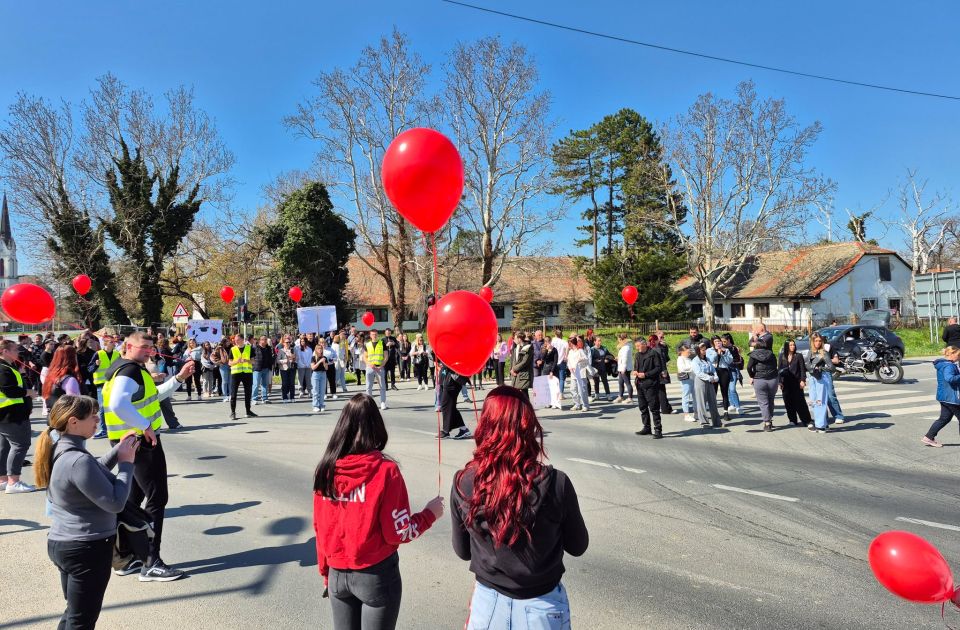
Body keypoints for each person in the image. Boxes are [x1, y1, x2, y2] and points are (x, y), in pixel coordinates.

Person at [452, 386, 588, 629]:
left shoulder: (464, 481)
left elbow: (463, 551)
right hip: (542, 605)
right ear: (527, 425)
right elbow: (578, 546)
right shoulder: (556, 482)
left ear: (485, 425)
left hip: (487, 603)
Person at [313, 394, 443, 630]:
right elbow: (398, 532)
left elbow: (321, 528)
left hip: (336, 574)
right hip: (375, 575)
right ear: (377, 426)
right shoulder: (385, 471)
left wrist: (325, 571)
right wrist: (429, 515)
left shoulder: (326, 470)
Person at [35, 395, 139, 629]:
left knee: (74, 612)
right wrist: (126, 464)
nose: (97, 419)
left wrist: (118, 450)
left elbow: (93, 472)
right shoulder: (76, 459)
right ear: (73, 422)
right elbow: (115, 502)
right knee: (82, 620)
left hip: (65, 543)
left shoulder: (60, 448)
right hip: (86, 548)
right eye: (92, 416)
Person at [103, 331, 193, 581]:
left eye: (151, 347)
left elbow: (151, 397)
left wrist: (178, 378)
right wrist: (145, 426)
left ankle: (125, 558)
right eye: (144, 347)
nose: (149, 351)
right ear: (127, 346)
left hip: (131, 442)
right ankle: (151, 562)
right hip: (141, 443)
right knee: (157, 498)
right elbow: (118, 404)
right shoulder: (130, 370)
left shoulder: (124, 368)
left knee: (131, 499)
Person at [0, 339, 39, 494]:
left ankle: (3, 479)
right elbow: (9, 390)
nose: (18, 352)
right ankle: (13, 481)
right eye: (15, 350)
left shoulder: (8, 366)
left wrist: (22, 375)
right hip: (11, 414)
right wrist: (28, 392)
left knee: (5, 447)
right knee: (20, 445)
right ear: (5, 351)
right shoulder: (3, 368)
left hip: (8, 414)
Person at [923, 345, 960, 447]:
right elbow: (950, 378)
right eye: (958, 355)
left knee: (944, 418)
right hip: (951, 397)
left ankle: (928, 437)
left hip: (943, 396)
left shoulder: (943, 364)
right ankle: (929, 437)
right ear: (951, 354)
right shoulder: (949, 366)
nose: (959, 357)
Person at [631, 338, 663, 438]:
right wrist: (635, 371)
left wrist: (646, 374)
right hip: (640, 384)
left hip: (651, 384)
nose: (637, 348)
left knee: (654, 408)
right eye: (636, 346)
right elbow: (636, 367)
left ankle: (658, 430)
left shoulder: (653, 353)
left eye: (638, 346)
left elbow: (658, 368)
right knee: (643, 407)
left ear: (644, 344)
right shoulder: (637, 355)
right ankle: (646, 427)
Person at [747, 335, 779, 432]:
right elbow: (775, 366)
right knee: (771, 400)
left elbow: (749, 367)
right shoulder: (771, 354)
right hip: (772, 379)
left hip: (759, 379)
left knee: (763, 402)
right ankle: (770, 418)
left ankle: (767, 422)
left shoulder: (753, 355)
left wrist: (752, 375)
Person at [778, 340, 812, 427]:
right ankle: (792, 420)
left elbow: (802, 369)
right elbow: (779, 370)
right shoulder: (782, 356)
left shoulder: (798, 356)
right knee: (788, 402)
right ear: (787, 346)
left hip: (796, 382)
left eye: (793, 345)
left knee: (800, 402)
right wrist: (780, 382)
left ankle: (806, 420)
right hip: (786, 383)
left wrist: (802, 380)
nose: (793, 346)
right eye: (790, 345)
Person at [805, 333, 833, 434]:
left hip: (821, 378)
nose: (818, 343)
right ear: (812, 342)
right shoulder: (810, 352)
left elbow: (831, 367)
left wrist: (821, 368)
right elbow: (806, 364)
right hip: (812, 378)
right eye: (816, 341)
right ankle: (823, 424)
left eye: (819, 341)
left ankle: (820, 426)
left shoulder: (824, 353)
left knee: (821, 401)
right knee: (814, 402)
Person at [438, 362, 473, 439]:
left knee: (446, 405)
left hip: (454, 378)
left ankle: (446, 431)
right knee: (450, 406)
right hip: (451, 376)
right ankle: (463, 429)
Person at [43, 344, 83, 411]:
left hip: (54, 416)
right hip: (67, 417)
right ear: (72, 357)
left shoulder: (50, 375)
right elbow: (75, 405)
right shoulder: (69, 379)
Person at [692, 342, 722, 428]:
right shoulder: (695, 360)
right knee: (701, 402)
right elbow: (698, 373)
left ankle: (716, 421)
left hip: (710, 380)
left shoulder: (707, 359)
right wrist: (710, 378)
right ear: (698, 350)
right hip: (701, 381)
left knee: (713, 401)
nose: (704, 351)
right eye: (702, 350)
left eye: (705, 350)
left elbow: (713, 369)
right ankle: (704, 422)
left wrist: (715, 377)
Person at [706, 336, 735, 422]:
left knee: (724, 392)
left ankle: (726, 412)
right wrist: (717, 353)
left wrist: (724, 352)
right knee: (713, 393)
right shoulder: (709, 351)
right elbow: (710, 360)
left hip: (723, 371)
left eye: (719, 341)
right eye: (716, 341)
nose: (718, 343)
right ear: (712, 343)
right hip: (714, 371)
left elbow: (729, 361)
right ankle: (714, 412)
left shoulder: (726, 350)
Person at [229, 333, 257, 421]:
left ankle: (248, 411)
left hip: (247, 373)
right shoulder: (232, 349)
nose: (236, 341)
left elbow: (253, 362)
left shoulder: (249, 348)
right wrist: (236, 361)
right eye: (235, 340)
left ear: (242, 340)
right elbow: (229, 363)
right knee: (233, 394)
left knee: (248, 393)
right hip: (236, 373)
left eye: (237, 340)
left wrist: (247, 360)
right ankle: (233, 412)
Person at [363, 330, 388, 410]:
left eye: (376, 334)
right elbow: (364, 357)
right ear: (370, 335)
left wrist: (382, 365)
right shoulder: (367, 344)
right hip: (370, 367)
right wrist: (369, 364)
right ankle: (369, 404)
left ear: (378, 335)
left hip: (380, 367)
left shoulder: (382, 343)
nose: (374, 336)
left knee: (382, 386)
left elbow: (386, 356)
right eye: (373, 334)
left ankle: (383, 403)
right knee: (369, 386)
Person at [649, 334, 673, 414]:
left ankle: (662, 407)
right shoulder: (658, 349)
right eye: (661, 337)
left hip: (651, 372)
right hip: (659, 371)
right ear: (656, 340)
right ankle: (665, 409)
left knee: (655, 390)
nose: (662, 339)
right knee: (661, 390)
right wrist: (664, 371)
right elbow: (663, 360)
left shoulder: (649, 349)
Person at [720, 333, 744, 415]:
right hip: (724, 371)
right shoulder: (721, 348)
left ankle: (738, 407)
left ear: (729, 340)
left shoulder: (733, 348)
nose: (723, 343)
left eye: (724, 341)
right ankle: (732, 404)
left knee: (732, 389)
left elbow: (737, 360)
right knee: (728, 389)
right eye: (721, 341)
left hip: (733, 370)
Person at [566, 335, 590, 412]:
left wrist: (580, 359)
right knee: (572, 389)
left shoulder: (580, 351)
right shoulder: (570, 352)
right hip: (573, 374)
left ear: (572, 344)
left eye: (569, 343)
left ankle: (585, 405)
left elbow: (586, 360)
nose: (568, 345)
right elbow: (568, 361)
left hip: (581, 373)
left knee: (582, 390)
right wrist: (569, 367)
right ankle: (577, 404)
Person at [251, 335, 275, 405]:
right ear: (259, 341)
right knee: (256, 384)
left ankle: (264, 398)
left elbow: (271, 357)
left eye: (265, 339)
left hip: (266, 368)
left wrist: (271, 365)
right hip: (257, 369)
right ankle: (254, 399)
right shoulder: (254, 348)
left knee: (265, 384)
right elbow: (251, 357)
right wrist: (253, 365)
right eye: (262, 339)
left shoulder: (268, 348)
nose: (264, 341)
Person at [676, 344, 696, 422]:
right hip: (686, 379)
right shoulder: (680, 358)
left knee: (695, 395)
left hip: (692, 378)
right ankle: (686, 414)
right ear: (682, 352)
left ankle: (696, 412)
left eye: (689, 351)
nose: (689, 353)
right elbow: (682, 368)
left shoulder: (688, 359)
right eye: (688, 352)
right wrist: (692, 368)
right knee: (686, 396)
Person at [510, 332, 533, 398]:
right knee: (516, 394)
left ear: (519, 339)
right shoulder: (515, 348)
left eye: (515, 338)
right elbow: (513, 361)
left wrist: (514, 369)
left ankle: (527, 407)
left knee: (524, 393)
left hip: (524, 374)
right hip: (516, 374)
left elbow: (525, 362)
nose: (514, 340)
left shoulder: (528, 347)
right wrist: (511, 370)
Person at [613, 333, 634, 404]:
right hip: (621, 367)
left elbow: (625, 358)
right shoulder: (624, 346)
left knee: (627, 382)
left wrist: (623, 368)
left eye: (619, 339)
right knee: (620, 382)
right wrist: (618, 358)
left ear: (622, 339)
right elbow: (622, 357)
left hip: (625, 368)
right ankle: (620, 396)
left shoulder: (626, 347)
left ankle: (630, 398)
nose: (618, 341)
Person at [590, 335, 611, 401]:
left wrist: (607, 359)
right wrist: (595, 360)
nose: (599, 342)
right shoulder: (592, 349)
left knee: (605, 381)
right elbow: (589, 359)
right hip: (595, 368)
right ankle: (597, 395)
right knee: (596, 381)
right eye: (598, 341)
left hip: (603, 367)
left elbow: (609, 355)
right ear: (594, 342)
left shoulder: (604, 348)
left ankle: (608, 395)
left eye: (600, 341)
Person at [541, 337, 561, 410]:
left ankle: (554, 403)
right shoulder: (543, 349)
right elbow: (543, 358)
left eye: (548, 341)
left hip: (553, 369)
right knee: (547, 387)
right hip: (545, 369)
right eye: (545, 341)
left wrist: (552, 371)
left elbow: (555, 361)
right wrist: (547, 350)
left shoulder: (554, 350)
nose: (547, 343)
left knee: (553, 387)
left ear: (550, 341)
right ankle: (548, 402)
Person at [311, 341, 330, 413]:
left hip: (323, 374)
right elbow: (313, 368)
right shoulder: (313, 358)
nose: (320, 350)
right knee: (316, 390)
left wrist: (324, 362)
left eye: (321, 349)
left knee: (322, 391)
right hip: (316, 374)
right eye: (319, 349)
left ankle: (321, 404)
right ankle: (315, 405)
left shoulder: (324, 357)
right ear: (316, 350)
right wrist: (319, 362)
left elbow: (326, 368)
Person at [277, 337, 297, 403]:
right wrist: (284, 360)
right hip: (284, 368)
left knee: (292, 383)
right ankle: (284, 397)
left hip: (292, 368)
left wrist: (294, 358)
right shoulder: (281, 351)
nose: (288, 343)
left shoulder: (293, 350)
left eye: (289, 342)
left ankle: (292, 397)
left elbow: (297, 359)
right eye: (286, 342)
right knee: (285, 383)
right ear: (283, 343)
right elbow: (277, 360)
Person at [551, 330, 569, 399]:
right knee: (561, 379)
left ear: (555, 334)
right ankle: (561, 394)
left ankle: (555, 393)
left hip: (554, 362)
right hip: (562, 361)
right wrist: (565, 356)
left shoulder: (552, 341)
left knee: (555, 378)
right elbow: (567, 350)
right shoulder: (564, 342)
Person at [213, 338, 232, 403]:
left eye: (229, 341)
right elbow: (213, 356)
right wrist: (219, 362)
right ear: (224, 342)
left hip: (232, 365)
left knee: (230, 381)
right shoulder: (219, 348)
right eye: (227, 341)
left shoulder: (233, 347)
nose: (229, 342)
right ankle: (225, 396)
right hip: (223, 366)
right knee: (224, 381)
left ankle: (230, 395)